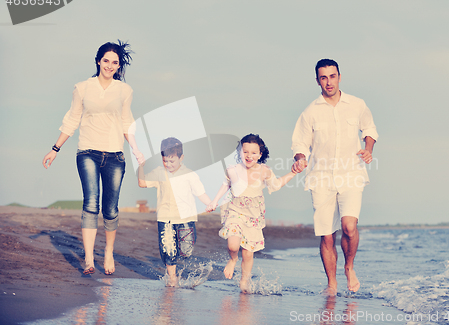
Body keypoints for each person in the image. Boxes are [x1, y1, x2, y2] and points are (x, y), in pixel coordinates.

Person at [42, 40, 145, 276]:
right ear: (98, 60)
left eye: (115, 63)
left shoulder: (124, 91)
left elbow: (127, 122)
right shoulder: (82, 88)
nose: (110, 65)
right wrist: (55, 149)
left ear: (119, 67)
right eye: (106, 60)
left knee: (110, 209)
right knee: (91, 203)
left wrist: (136, 149)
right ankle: (89, 259)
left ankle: (108, 252)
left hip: (115, 155)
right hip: (87, 152)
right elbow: (72, 119)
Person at [291, 59, 378, 294]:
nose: (328, 82)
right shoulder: (310, 112)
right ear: (317, 80)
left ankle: (349, 267)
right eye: (323, 77)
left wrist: (368, 149)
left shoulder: (357, 105)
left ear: (339, 76)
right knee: (327, 236)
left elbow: (369, 130)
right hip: (321, 178)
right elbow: (300, 142)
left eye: (332, 76)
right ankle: (332, 283)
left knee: (349, 226)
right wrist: (300, 157)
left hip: (351, 174)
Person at [206, 134, 299, 293]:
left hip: (254, 218)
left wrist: (293, 173)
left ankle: (244, 279)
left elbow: (276, 185)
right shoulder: (233, 170)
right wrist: (214, 201)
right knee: (233, 245)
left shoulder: (265, 171)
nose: (249, 156)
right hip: (235, 212)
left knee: (248, 254)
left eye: (254, 153)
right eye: (245, 152)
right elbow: (225, 185)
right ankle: (233, 259)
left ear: (260, 154)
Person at [138, 137, 211, 287]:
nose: (168, 164)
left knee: (186, 250)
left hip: (185, 218)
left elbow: (200, 193)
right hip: (166, 218)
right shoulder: (159, 172)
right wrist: (141, 167)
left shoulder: (190, 174)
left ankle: (177, 266)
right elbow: (142, 183)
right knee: (168, 250)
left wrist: (209, 203)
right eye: (165, 161)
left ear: (181, 158)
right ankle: (172, 277)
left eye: (172, 161)